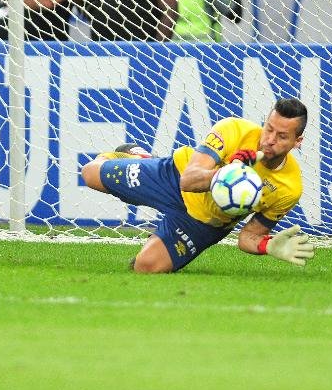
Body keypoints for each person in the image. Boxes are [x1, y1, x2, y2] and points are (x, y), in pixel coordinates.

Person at [81, 98, 317, 273]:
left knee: (146, 267)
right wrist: (228, 173)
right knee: (90, 173)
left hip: (204, 224)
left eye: (282, 136)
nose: (269, 140)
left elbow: (248, 237)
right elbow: (189, 180)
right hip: (173, 178)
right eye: (269, 129)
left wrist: (268, 245)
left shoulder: (289, 188)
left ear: (298, 142)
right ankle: (141, 159)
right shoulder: (233, 129)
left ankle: (146, 161)